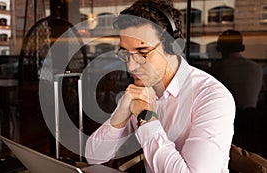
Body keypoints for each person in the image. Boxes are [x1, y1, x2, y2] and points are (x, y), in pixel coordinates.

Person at [85, 0, 235, 172]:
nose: (131, 66)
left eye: (142, 53)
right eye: (126, 53)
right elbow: (94, 155)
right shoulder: (140, 89)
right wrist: (122, 112)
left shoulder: (212, 97)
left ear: (173, 47)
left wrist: (146, 118)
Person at [210, 29, 263, 111]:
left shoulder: (218, 69)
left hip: (228, 117)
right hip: (251, 118)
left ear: (219, 47)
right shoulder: (256, 68)